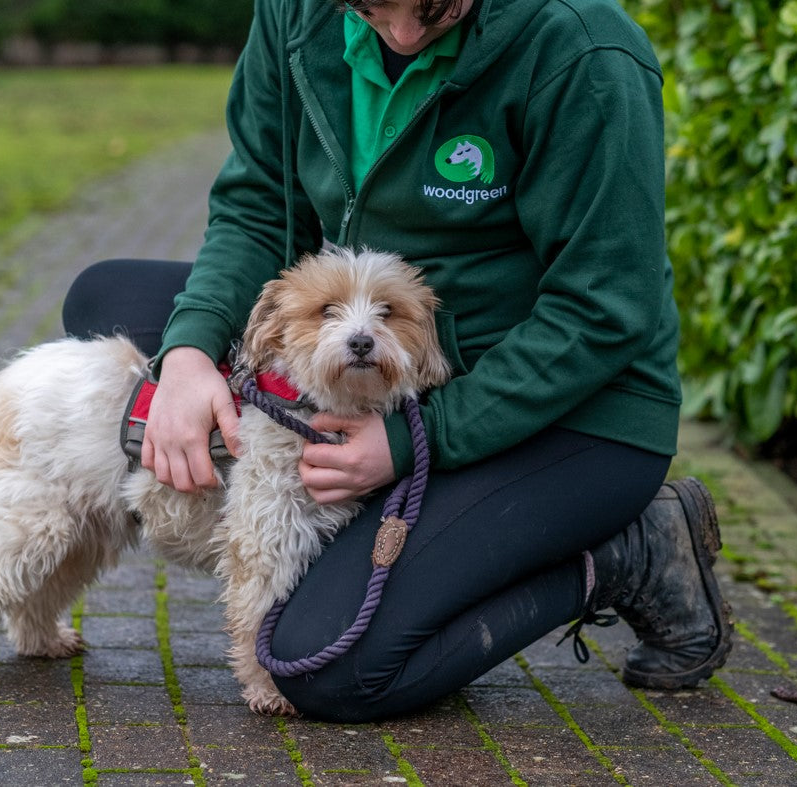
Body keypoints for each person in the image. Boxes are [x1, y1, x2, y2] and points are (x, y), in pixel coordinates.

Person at [62, 0, 733, 722]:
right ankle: (345, 500)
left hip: (573, 407)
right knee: (107, 301)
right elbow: (259, 203)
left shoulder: (585, 52)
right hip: (376, 355)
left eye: (437, 7)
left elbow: (605, 311)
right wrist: (190, 356)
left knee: (319, 667)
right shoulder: (295, 13)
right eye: (374, 8)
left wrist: (417, 439)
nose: (406, 37)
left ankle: (625, 551)